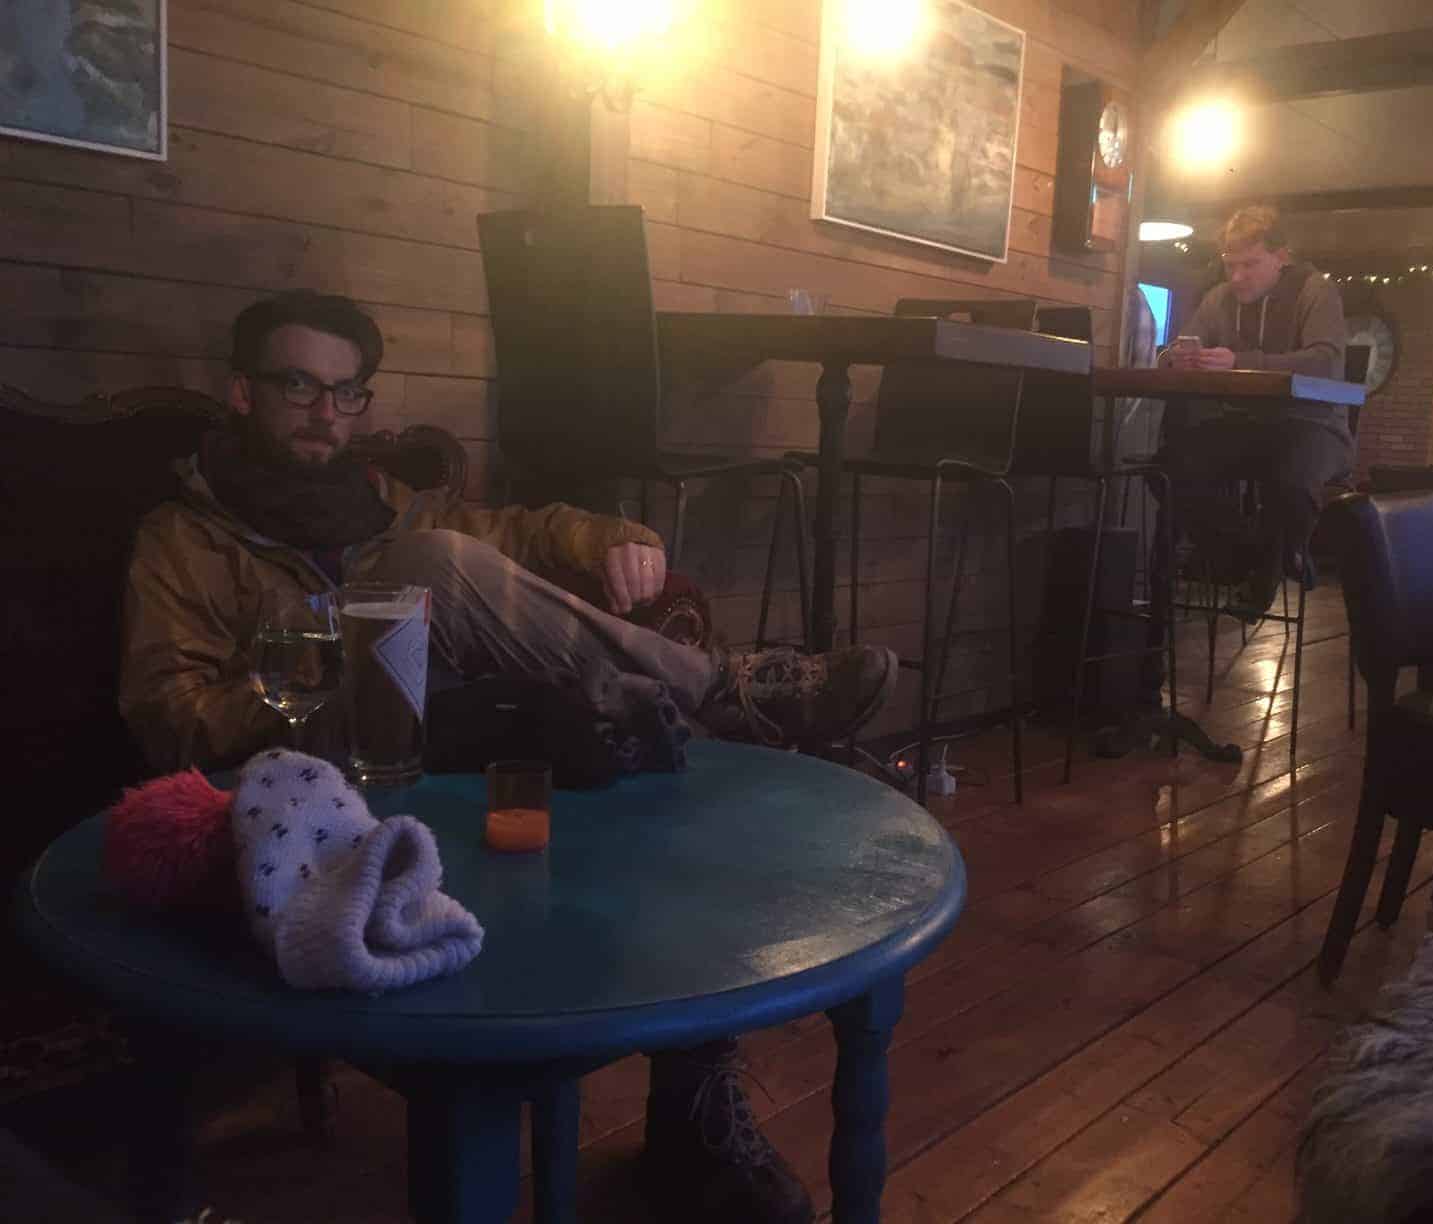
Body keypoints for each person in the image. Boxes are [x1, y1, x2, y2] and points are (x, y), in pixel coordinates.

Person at [118, 290, 900, 1224]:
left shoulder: (384, 503)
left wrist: (616, 537)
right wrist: (345, 666)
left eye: (346, 391)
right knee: (431, 572)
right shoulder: (182, 540)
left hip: (453, 736)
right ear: (244, 393)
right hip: (307, 767)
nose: (326, 413)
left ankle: (693, 1105)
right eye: (298, 386)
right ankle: (730, 691)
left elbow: (525, 531)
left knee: (633, 775)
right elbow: (169, 720)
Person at [1156, 204, 1352, 615]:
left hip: (1315, 424)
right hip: (1246, 424)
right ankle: (1259, 556)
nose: (1237, 277)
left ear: (1281, 257)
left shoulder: (1315, 290)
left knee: (1293, 481)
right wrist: (1176, 357)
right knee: (1172, 466)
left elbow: (1325, 362)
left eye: (1250, 264)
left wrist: (1240, 362)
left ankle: (1264, 568)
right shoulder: (1219, 299)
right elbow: (1180, 345)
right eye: (1231, 265)